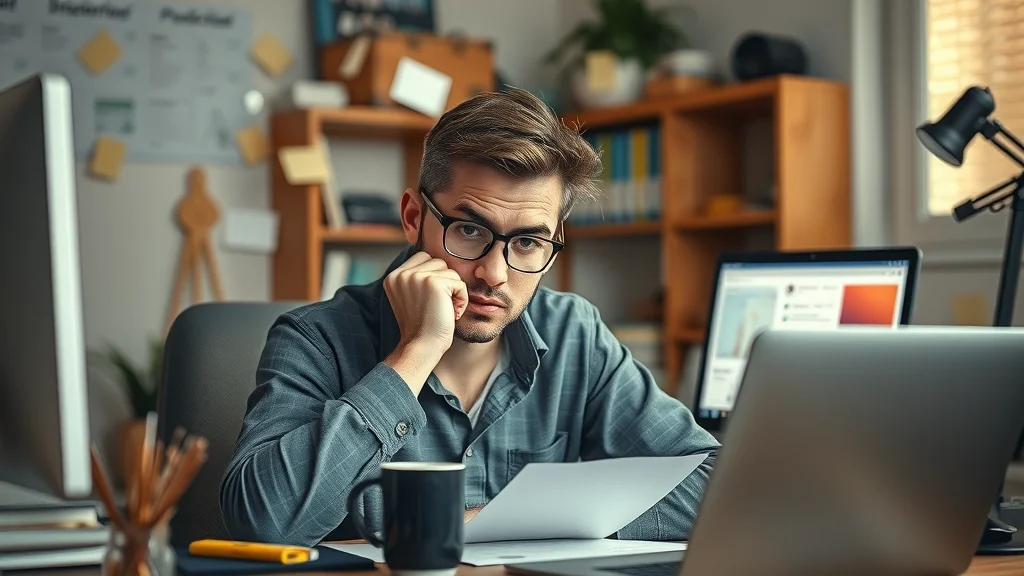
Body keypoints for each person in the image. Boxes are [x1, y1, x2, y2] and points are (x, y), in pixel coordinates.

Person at [219, 87, 720, 546]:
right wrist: (414, 353)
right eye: (469, 230)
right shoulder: (316, 338)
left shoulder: (575, 334)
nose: (494, 274)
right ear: (414, 218)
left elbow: (715, 485)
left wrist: (483, 521)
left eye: (528, 242)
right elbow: (263, 524)